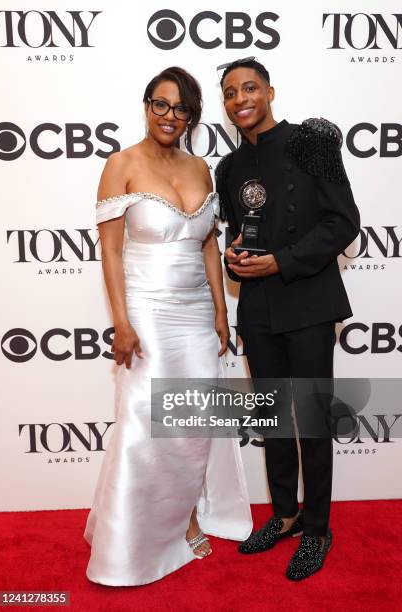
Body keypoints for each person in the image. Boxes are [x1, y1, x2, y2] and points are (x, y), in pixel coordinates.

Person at [83, 66, 252, 586]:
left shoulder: (201, 167)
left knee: (193, 423)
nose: (170, 116)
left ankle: (190, 515)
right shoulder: (122, 164)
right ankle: (132, 539)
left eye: (181, 109)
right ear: (147, 106)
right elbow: (110, 249)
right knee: (143, 423)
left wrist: (222, 313)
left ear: (192, 116)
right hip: (147, 313)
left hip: (198, 313)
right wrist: (120, 321)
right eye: (161, 104)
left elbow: (206, 242)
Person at [215, 58, 360, 581]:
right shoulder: (229, 168)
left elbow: (344, 221)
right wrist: (238, 256)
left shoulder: (310, 141)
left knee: (313, 420)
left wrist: (283, 260)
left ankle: (318, 529)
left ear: (270, 91)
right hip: (256, 306)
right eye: (230, 93)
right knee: (273, 419)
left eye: (249, 87)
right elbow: (244, 231)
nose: (240, 99)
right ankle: (284, 515)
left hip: (309, 301)